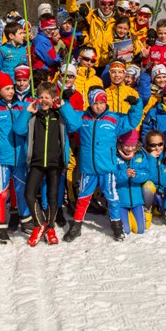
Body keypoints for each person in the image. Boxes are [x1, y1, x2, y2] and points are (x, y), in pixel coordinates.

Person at [60, 88, 142, 242]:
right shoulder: (83, 118)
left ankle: (116, 225)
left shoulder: (114, 118)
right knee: (83, 197)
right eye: (96, 103)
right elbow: (70, 117)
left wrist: (136, 106)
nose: (99, 106)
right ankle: (76, 226)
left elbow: (132, 121)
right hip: (88, 169)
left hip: (107, 168)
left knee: (112, 197)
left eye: (102, 103)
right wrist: (65, 101)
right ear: (90, 103)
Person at [16, 82, 70, 246]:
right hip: (37, 162)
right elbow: (18, 129)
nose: (43, 100)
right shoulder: (34, 116)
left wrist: (64, 107)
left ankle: (51, 227)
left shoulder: (58, 115)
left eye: (47, 97)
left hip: (55, 163)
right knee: (29, 194)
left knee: (53, 197)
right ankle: (40, 224)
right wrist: (27, 112)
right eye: (40, 97)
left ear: (53, 98)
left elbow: (76, 125)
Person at [0, 72, 28, 243]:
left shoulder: (19, 106)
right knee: (1, 192)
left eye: (12, 88)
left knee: (21, 190)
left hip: (20, 157)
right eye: (7, 88)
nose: (11, 91)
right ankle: (0, 225)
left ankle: (26, 220)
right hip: (2, 157)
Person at [65, 0, 117, 67]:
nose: (107, 6)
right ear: (99, 4)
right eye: (103, 3)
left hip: (108, 62)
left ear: (113, 4)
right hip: (91, 61)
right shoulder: (91, 15)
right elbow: (71, 8)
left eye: (110, 3)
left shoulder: (117, 19)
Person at [140, 129, 166, 226]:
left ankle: (160, 208)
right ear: (147, 145)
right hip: (150, 195)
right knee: (148, 185)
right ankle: (147, 210)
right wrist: (152, 159)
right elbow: (149, 177)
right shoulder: (144, 158)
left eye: (160, 144)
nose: (157, 148)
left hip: (163, 195)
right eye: (153, 145)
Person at [0, 22, 28, 87]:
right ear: (11, 36)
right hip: (7, 84)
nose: (23, 35)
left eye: (23, 33)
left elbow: (27, 67)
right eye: (20, 33)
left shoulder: (24, 49)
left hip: (21, 85)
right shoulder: (2, 50)